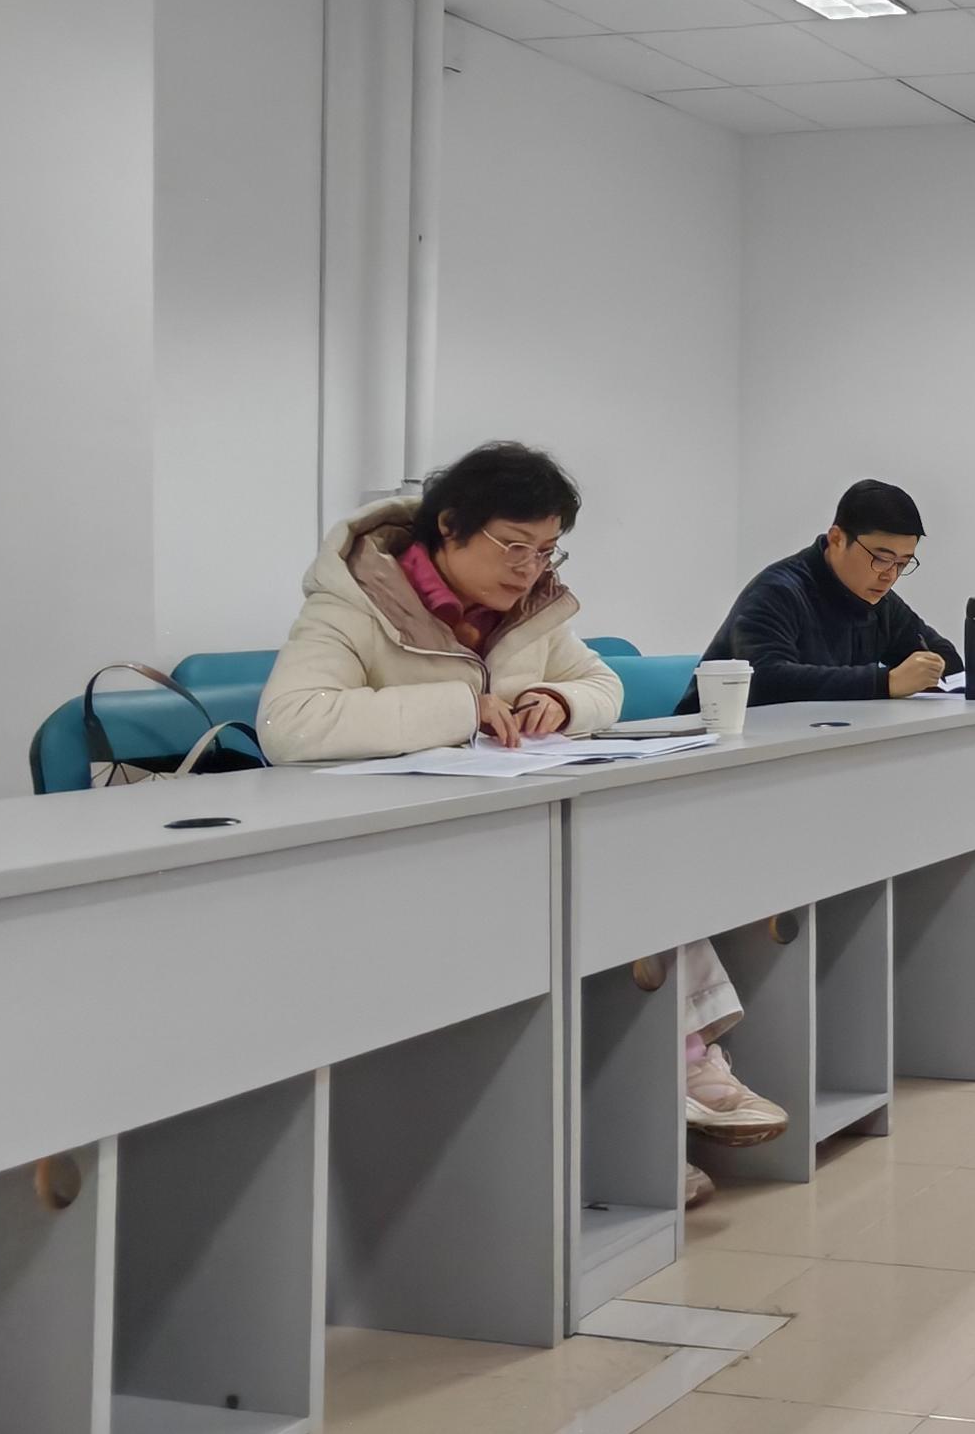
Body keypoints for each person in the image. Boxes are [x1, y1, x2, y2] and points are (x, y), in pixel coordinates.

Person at [257, 442, 783, 1207]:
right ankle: (656, 1099)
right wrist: (460, 708)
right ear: (449, 527)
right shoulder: (355, 600)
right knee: (590, 905)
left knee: (625, 872)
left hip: (506, 830)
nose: (530, 568)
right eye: (512, 546)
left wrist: (560, 703)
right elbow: (292, 723)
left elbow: (598, 682)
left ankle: (659, 1101)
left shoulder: (532, 611)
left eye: (546, 550)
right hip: (395, 853)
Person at [686, 478, 959, 710]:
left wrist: (929, 667)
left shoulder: (879, 601)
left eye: (902, 563)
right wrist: (884, 682)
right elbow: (766, 680)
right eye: (881, 558)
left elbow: (945, 656)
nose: (889, 575)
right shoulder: (777, 591)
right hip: (714, 744)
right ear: (837, 539)